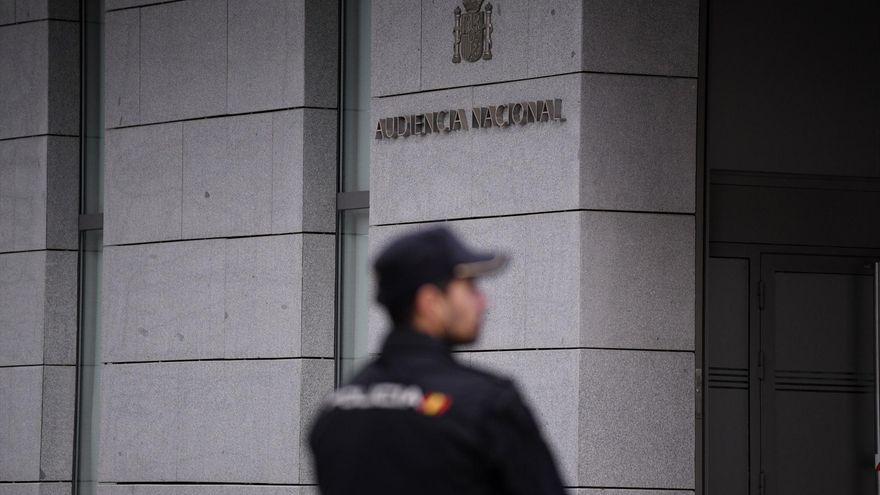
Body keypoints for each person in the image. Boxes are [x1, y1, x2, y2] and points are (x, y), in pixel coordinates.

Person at [309, 226, 566, 495]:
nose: (482, 301)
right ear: (430, 302)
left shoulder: (335, 412)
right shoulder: (487, 404)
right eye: (469, 288)